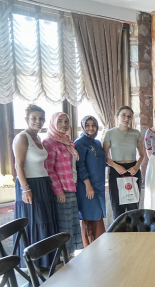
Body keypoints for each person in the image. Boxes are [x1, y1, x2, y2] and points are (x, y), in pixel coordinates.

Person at [13, 104, 58, 267]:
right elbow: (18, 165)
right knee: (34, 221)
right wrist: (25, 189)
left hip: (43, 183)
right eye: (34, 118)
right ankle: (33, 262)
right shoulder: (22, 137)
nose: (38, 121)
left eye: (41, 118)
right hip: (30, 184)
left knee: (45, 220)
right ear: (27, 119)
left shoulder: (38, 138)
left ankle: (46, 260)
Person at [43, 112, 83, 254]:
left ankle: (70, 254)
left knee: (72, 221)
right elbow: (49, 169)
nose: (64, 124)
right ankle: (63, 255)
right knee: (64, 224)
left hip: (72, 187)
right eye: (60, 121)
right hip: (61, 190)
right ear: (53, 123)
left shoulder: (68, 142)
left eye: (66, 121)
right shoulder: (49, 142)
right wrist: (59, 191)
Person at [103, 106, 145, 218]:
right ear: (117, 116)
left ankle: (134, 229)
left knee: (133, 208)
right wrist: (115, 166)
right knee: (118, 208)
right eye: (124, 115)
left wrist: (136, 166)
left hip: (133, 170)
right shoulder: (110, 133)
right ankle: (119, 230)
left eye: (129, 116)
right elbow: (104, 156)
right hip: (116, 170)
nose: (127, 118)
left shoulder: (136, 133)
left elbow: (142, 154)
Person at [74, 116, 107, 247]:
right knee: (90, 217)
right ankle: (90, 248)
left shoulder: (97, 143)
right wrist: (88, 185)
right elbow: (80, 166)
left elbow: (102, 161)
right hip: (86, 186)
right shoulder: (80, 143)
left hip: (98, 185)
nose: (91, 128)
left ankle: (101, 248)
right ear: (83, 126)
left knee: (98, 216)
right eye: (87, 125)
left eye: (93, 125)